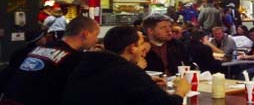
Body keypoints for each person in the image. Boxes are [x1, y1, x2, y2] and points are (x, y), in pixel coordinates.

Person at [61, 25, 190, 105]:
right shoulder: (128, 72)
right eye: (140, 46)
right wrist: (180, 91)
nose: (143, 52)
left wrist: (147, 82)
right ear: (132, 48)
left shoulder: (88, 62)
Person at [1, 16, 99, 105]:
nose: (96, 40)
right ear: (85, 34)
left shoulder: (41, 48)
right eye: (95, 35)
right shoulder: (74, 58)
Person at [0, 28, 47, 93]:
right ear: (39, 40)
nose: (45, 38)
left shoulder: (17, 52)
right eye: (43, 36)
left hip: (10, 89)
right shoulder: (41, 54)